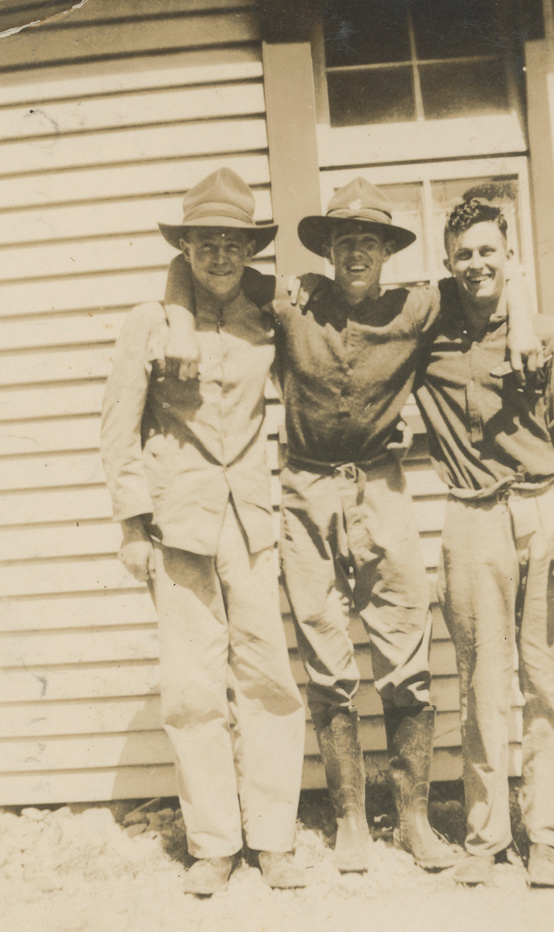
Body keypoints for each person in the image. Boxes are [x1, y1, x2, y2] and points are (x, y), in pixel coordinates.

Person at [163, 177, 539, 875]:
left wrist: (523, 326)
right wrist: (181, 323)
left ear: (388, 251)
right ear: (330, 250)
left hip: (382, 491)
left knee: (406, 655)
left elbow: (493, 280)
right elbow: (191, 266)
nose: (357, 252)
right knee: (328, 661)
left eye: (370, 240)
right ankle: (350, 823)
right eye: (346, 241)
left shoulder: (419, 306)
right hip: (304, 491)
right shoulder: (291, 300)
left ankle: (418, 822)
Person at [100, 168, 307, 896]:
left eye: (233, 243)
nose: (220, 254)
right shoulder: (149, 322)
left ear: (250, 250)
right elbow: (117, 429)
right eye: (205, 241)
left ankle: (274, 838)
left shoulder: (268, 313)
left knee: (268, 681)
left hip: (251, 520)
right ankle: (214, 843)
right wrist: (131, 524)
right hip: (180, 525)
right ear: (184, 246)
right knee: (192, 689)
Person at [414, 198, 554, 887]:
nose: (476, 264)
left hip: (540, 509)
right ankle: (486, 837)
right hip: (470, 518)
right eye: (463, 254)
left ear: (509, 255)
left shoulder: (551, 335)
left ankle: (548, 836)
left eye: (489, 252)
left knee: (548, 679)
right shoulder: (427, 332)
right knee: (480, 683)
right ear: (447, 263)